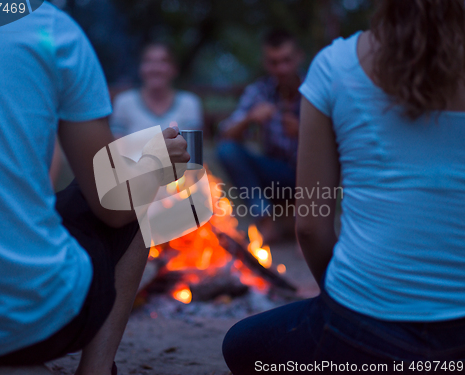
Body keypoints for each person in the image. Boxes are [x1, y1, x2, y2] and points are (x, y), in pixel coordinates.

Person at [223, 0, 465, 373]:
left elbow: (312, 225)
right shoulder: (265, 92)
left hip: (364, 325)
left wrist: (344, 301)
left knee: (241, 344)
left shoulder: (335, 66)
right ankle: (267, 216)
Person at [0, 3, 189, 375]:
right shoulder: (53, 33)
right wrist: (155, 163)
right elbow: (113, 208)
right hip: (27, 317)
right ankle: (97, 370)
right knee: (138, 182)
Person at [216, 29, 304, 243]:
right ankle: (265, 221)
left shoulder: (315, 89)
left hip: (311, 174)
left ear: (299, 58)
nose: (281, 69)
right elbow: (225, 133)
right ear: (266, 63)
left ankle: (306, 230)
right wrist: (250, 119)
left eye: (286, 61)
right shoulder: (260, 91)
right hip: (275, 173)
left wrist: (304, 133)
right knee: (227, 150)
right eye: (274, 63)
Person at [110, 42, 203, 138]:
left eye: (163, 62)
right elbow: (117, 147)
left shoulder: (189, 103)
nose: (155, 68)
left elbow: (191, 147)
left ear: (174, 69)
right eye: (148, 61)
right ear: (140, 68)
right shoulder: (124, 102)